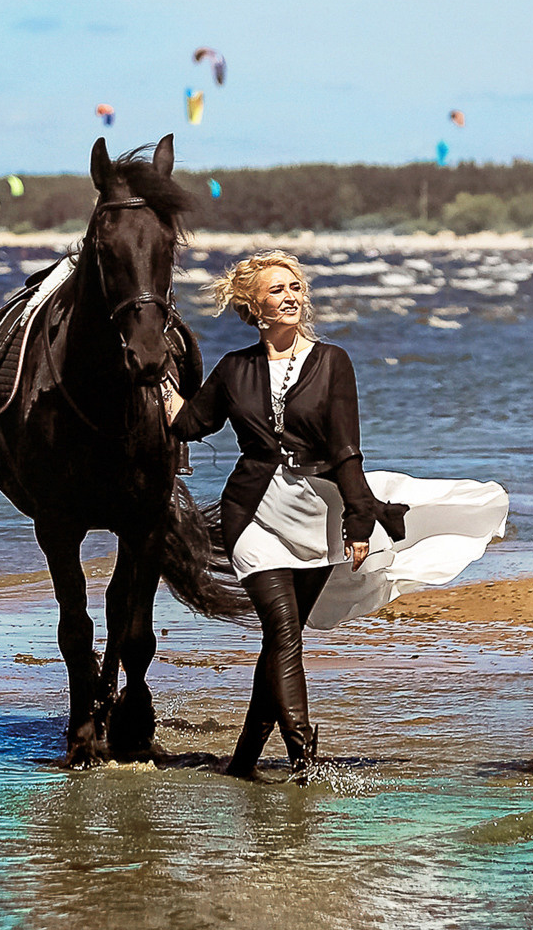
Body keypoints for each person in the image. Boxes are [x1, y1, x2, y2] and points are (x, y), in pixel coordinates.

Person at [159, 251, 506, 779]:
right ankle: (305, 761)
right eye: (278, 290)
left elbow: (347, 451)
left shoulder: (332, 362)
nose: (292, 296)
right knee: (282, 629)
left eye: (296, 286)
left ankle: (245, 762)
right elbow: (191, 422)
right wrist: (156, 382)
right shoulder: (235, 369)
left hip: (319, 517)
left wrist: (359, 522)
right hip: (253, 514)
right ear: (255, 307)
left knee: (281, 640)